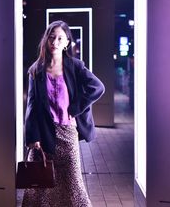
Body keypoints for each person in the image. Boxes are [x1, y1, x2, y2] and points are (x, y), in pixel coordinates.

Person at [22, 20, 105, 207]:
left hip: (68, 133)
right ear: (46, 40)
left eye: (60, 38)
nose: (55, 42)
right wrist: (32, 136)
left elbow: (98, 87)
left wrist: (76, 108)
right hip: (44, 135)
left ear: (67, 42)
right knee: (40, 186)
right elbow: (32, 106)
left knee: (73, 184)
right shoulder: (36, 70)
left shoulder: (75, 66)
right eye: (51, 37)